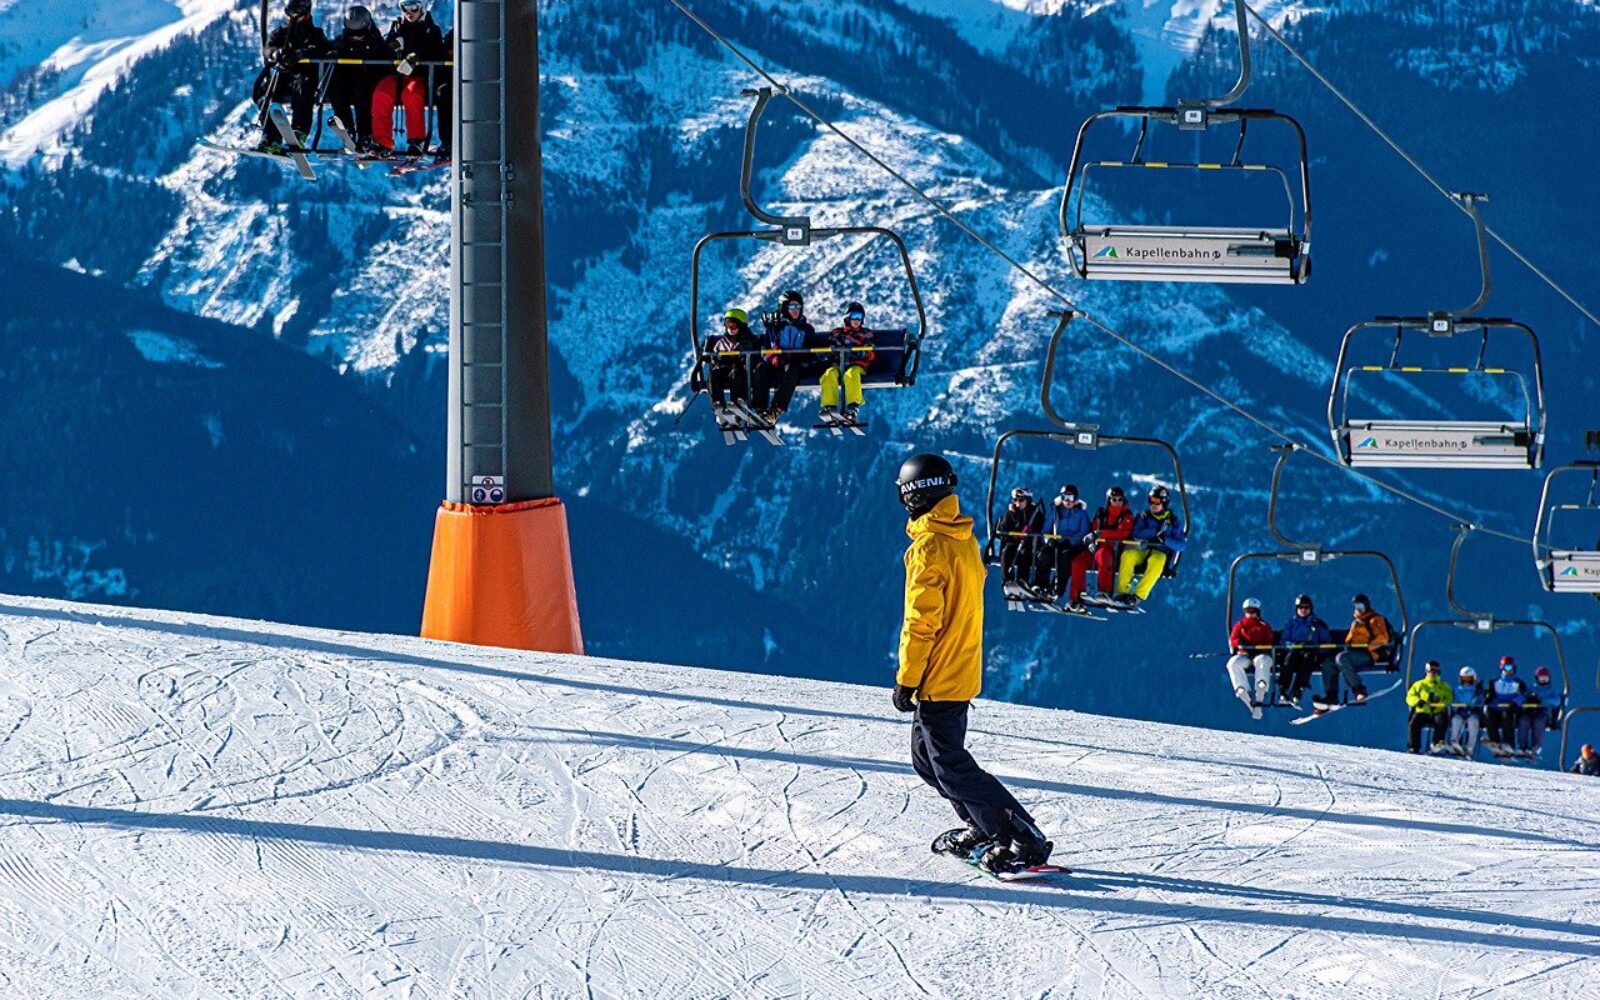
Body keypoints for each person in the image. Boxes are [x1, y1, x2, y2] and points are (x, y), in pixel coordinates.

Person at [893, 453, 1053, 874]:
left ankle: (1021, 836)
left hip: (940, 673)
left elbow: (920, 621)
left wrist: (907, 678)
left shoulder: (930, 546)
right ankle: (984, 826)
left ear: (913, 496)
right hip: (959, 665)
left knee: (950, 765)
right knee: (927, 761)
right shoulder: (962, 538)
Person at [374, 0, 445, 155]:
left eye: (413, 8)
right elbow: (385, 51)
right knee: (381, 93)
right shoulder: (397, 27)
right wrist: (392, 46)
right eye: (405, 8)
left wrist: (416, 57)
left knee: (412, 95)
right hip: (397, 75)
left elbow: (436, 52)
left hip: (418, 76)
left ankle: (416, 141)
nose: (409, 12)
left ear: (421, 8)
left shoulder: (431, 30)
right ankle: (382, 142)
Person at [257, 0, 331, 149]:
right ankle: (270, 136)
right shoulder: (281, 33)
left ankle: (299, 131)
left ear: (306, 15)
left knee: (303, 89)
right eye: (289, 16)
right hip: (284, 72)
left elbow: (322, 49)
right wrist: (275, 53)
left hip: (306, 74)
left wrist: (302, 54)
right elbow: (268, 48)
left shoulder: (315, 34)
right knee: (270, 92)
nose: (292, 19)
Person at [325, 5, 388, 151]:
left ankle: (365, 134)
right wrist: (332, 53)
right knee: (337, 90)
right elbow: (332, 48)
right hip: (350, 78)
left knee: (362, 95)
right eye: (353, 33)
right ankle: (347, 127)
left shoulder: (376, 42)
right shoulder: (343, 42)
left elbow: (385, 57)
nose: (356, 37)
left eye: (360, 33)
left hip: (370, 79)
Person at [1113, 485, 1187, 609]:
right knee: (1128, 555)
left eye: (1157, 501)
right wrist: (1154, 532)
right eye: (1151, 500)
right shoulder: (1144, 516)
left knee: (1157, 561)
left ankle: (1137, 596)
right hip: (1143, 549)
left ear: (1164, 502)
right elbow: (1136, 534)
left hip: (1160, 552)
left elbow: (1181, 545)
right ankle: (1122, 593)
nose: (1153, 504)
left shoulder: (1172, 521)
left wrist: (1165, 540)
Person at [1317, 592, 1393, 711]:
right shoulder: (1356, 622)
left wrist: (1368, 646)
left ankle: (1358, 689)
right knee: (1329, 663)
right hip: (1353, 652)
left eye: (1361, 606)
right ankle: (1331, 695)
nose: (1359, 609)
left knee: (1342, 658)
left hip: (1368, 653)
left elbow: (1383, 637)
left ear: (1366, 605)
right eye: (1356, 606)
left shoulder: (1375, 619)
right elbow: (1349, 640)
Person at [751, 290, 816, 423]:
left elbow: (811, 350)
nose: (795, 310)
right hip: (776, 362)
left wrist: (799, 357)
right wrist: (773, 356)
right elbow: (766, 349)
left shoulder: (806, 329)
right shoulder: (775, 327)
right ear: (784, 307)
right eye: (792, 306)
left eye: (798, 306)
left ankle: (775, 410)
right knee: (762, 368)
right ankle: (759, 409)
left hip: (796, 364)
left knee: (791, 369)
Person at [1072, 486, 1133, 605]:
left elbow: (1122, 534)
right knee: (1078, 561)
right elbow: (1094, 528)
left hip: (1114, 549)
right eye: (1114, 499)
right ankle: (1075, 597)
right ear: (1109, 500)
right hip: (1097, 547)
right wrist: (1091, 543)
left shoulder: (1126, 515)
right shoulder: (1101, 513)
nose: (1117, 502)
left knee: (1103, 555)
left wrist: (1100, 534)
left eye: (1120, 499)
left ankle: (1105, 591)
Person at [819, 302, 875, 423]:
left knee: (851, 375)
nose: (857, 320)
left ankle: (852, 407)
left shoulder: (866, 334)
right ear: (847, 317)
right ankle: (830, 406)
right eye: (854, 316)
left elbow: (869, 351)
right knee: (829, 374)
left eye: (860, 317)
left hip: (857, 365)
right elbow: (831, 348)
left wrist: (855, 352)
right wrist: (827, 353)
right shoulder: (837, 333)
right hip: (839, 365)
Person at [1040, 485, 1091, 610]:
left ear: (1076, 499)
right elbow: (1045, 530)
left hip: (1073, 546)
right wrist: (1049, 540)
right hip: (1057, 543)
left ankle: (1056, 590)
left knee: (1064, 558)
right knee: (1043, 555)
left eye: (1071, 498)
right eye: (1065, 497)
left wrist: (1072, 541)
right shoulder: (1056, 512)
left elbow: (1084, 532)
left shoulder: (1081, 514)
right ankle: (1041, 586)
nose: (1068, 501)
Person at [1225, 597, 1276, 721]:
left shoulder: (1263, 626)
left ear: (1257, 612)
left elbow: (1269, 642)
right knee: (1232, 663)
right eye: (1248, 611)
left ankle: (1261, 686)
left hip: (1260, 655)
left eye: (1252, 611)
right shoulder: (1240, 625)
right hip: (1245, 655)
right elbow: (1233, 639)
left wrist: (1258, 648)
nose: (1250, 614)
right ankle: (1241, 689)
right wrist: (1240, 644)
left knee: (1262, 661)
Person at [1278, 594, 1332, 704]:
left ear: (1310, 608)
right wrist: (1293, 645)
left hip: (1310, 651)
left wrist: (1317, 648)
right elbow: (1284, 641)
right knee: (1290, 659)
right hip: (1295, 650)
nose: (1303, 610)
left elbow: (1327, 641)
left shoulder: (1317, 623)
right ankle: (1283, 689)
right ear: (1296, 609)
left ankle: (1298, 689)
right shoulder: (1291, 623)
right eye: (1300, 607)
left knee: (1308, 659)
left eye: (1306, 607)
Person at [705, 308, 758, 415]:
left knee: (736, 373)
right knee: (713, 374)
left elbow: (753, 358)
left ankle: (737, 405)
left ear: (741, 326)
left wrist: (736, 359)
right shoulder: (720, 341)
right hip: (723, 370)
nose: (730, 329)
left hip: (741, 372)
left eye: (733, 326)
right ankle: (718, 405)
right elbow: (708, 358)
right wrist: (717, 358)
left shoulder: (749, 341)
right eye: (727, 325)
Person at [995, 487, 1044, 594]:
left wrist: (1031, 531)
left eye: (1021, 500)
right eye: (1015, 500)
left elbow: (1040, 526)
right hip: (1014, 542)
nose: (1017, 503)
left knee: (1024, 553)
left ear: (1028, 500)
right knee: (1006, 552)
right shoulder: (1011, 513)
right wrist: (1013, 536)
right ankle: (1008, 581)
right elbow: (1003, 529)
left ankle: (1022, 581)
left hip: (1030, 544)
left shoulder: (1035, 513)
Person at [1405, 660, 1452, 754]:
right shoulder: (1419, 684)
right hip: (1423, 711)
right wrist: (1417, 701)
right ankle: (1414, 746)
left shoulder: (1444, 686)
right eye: (1431, 670)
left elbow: (1449, 697)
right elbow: (1409, 697)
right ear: (1427, 671)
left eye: (1436, 671)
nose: (1433, 673)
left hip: (1437, 711)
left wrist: (1440, 702)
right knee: (1414, 723)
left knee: (1441, 721)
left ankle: (1436, 743)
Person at [1484, 656, 1528, 749]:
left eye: (1510, 667)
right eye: (1506, 667)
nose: (1508, 670)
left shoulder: (1518, 683)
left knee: (1507, 715)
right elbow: (1490, 695)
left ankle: (1508, 744)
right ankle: (1495, 741)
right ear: (1502, 668)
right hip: (1496, 709)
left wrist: (1515, 703)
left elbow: (1523, 695)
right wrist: (1487, 699)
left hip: (1510, 709)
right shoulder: (1494, 682)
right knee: (1488, 714)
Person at [1524, 665, 1563, 757]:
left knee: (1539, 722)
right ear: (1537, 678)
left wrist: (1542, 700)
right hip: (1530, 711)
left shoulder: (1552, 690)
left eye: (1545, 678)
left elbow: (1557, 701)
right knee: (1523, 721)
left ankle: (1536, 747)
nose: (1544, 680)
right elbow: (1524, 697)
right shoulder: (1531, 689)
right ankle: (1523, 746)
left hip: (1543, 712)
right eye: (1541, 678)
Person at [1448, 666, 1485, 757]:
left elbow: (1481, 699)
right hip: (1460, 711)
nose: (1466, 681)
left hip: (1473, 712)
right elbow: (1453, 700)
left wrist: (1476, 704)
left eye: (1468, 679)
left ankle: (1470, 747)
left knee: (1473, 722)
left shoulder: (1477, 689)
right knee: (1456, 720)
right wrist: (1457, 706)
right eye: (1464, 679)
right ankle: (1454, 742)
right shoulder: (1457, 689)